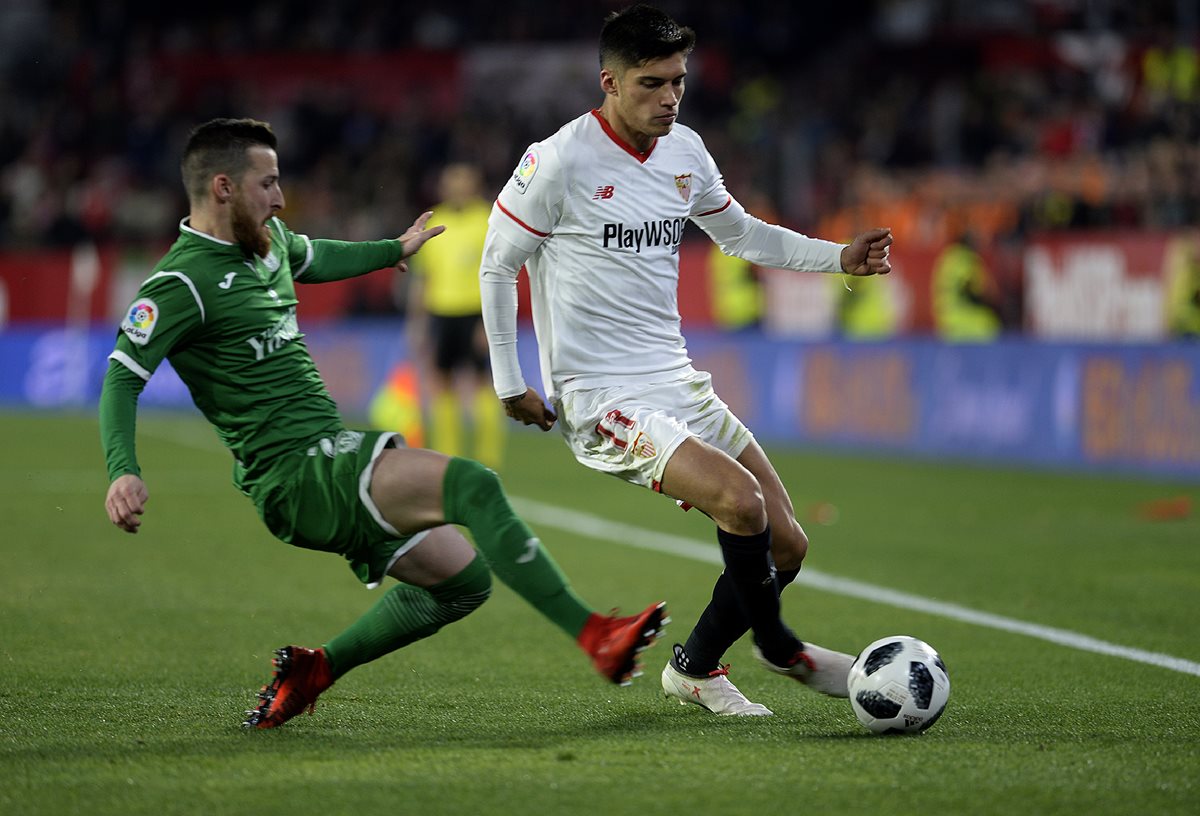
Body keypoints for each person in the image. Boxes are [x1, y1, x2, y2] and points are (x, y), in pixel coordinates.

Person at [99, 118, 666, 730]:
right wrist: (122, 471)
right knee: (473, 485)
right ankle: (595, 636)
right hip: (296, 474)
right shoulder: (180, 283)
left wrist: (393, 250)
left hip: (329, 455)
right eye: (268, 184)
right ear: (223, 188)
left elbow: (318, 257)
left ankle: (315, 669)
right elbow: (122, 377)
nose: (281, 198)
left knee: (463, 584)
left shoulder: (270, 244)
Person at [480, 5, 892, 717]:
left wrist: (839, 257)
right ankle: (780, 647)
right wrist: (511, 383)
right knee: (740, 503)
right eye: (651, 83)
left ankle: (696, 667)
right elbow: (495, 265)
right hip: (600, 395)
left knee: (787, 546)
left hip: (676, 380)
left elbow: (741, 234)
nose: (669, 97)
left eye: (678, 81)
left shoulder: (686, 152)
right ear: (609, 81)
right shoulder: (559, 159)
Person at [407, 163, 506, 467]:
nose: (457, 189)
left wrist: (494, 321)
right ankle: (448, 452)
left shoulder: (488, 219)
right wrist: (417, 323)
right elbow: (423, 277)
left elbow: (501, 272)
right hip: (441, 313)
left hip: (476, 312)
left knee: (481, 382)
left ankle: (489, 454)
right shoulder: (435, 221)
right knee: (441, 381)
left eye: (463, 183)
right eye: (452, 183)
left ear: (474, 185)